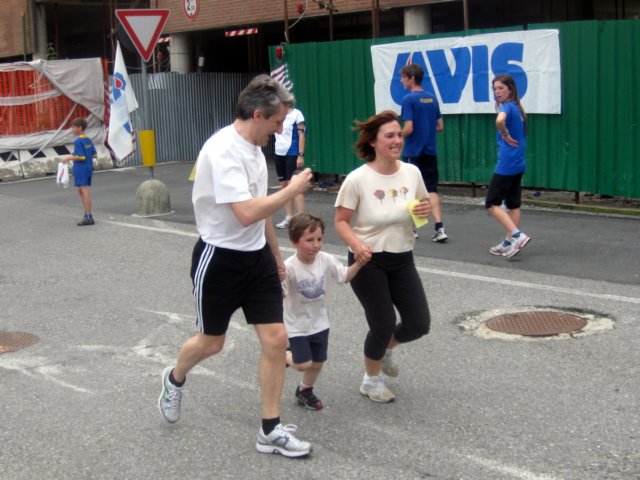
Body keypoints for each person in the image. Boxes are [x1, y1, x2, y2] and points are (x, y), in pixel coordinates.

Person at [157, 75, 314, 458]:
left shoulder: (256, 150)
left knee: (276, 339)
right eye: (277, 122)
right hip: (220, 259)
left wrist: (276, 260)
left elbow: (260, 214)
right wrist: (291, 190)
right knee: (212, 343)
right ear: (258, 114)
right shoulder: (222, 149)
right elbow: (245, 213)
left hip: (256, 258)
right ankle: (175, 378)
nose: (280, 130)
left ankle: (270, 430)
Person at [334, 110, 432, 403]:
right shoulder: (358, 179)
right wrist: (356, 245)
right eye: (390, 136)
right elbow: (341, 221)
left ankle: (386, 348)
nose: (397, 140)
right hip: (368, 261)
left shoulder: (412, 173)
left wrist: (424, 211)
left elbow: (422, 205)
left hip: (402, 257)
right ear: (374, 142)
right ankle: (371, 380)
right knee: (383, 322)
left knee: (418, 323)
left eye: (399, 134)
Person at [282, 212, 367, 410]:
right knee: (302, 364)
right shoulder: (288, 267)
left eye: (319, 239)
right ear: (294, 242)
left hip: (320, 323)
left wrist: (359, 263)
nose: (316, 244)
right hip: (296, 326)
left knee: (318, 362)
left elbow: (344, 277)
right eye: (309, 240)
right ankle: (282, 355)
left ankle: (305, 390)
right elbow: (279, 295)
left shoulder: (326, 260)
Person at [399, 64, 446, 242]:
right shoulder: (432, 98)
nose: (401, 81)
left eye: (403, 78)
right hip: (430, 152)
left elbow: (408, 128)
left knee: (409, 189)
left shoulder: (408, 99)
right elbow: (440, 127)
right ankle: (440, 228)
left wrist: (395, 135)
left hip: (413, 152)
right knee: (431, 189)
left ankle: (412, 229)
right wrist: (426, 130)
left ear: (412, 78)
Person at [486, 74, 531, 259]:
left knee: (491, 203)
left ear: (510, 89)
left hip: (507, 162)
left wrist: (504, 134)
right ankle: (508, 242)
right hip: (518, 162)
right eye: (495, 89)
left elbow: (499, 121)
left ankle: (517, 236)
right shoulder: (518, 108)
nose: (497, 92)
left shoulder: (506, 107)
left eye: (501, 88)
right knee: (513, 204)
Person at [274, 107, 306, 229]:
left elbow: (302, 135)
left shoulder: (297, 114)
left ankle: (302, 220)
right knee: (284, 186)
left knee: (294, 186)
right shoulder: (276, 112)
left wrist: (300, 155)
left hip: (292, 153)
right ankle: (288, 217)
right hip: (278, 152)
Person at [63, 117, 97, 226]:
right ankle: (87, 213)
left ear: (80, 128)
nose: (72, 129)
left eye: (74, 127)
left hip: (81, 168)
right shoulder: (88, 140)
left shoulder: (78, 141)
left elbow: (81, 157)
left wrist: (68, 158)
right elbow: (94, 154)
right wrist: (75, 154)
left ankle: (88, 216)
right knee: (80, 190)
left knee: (84, 190)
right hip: (88, 168)